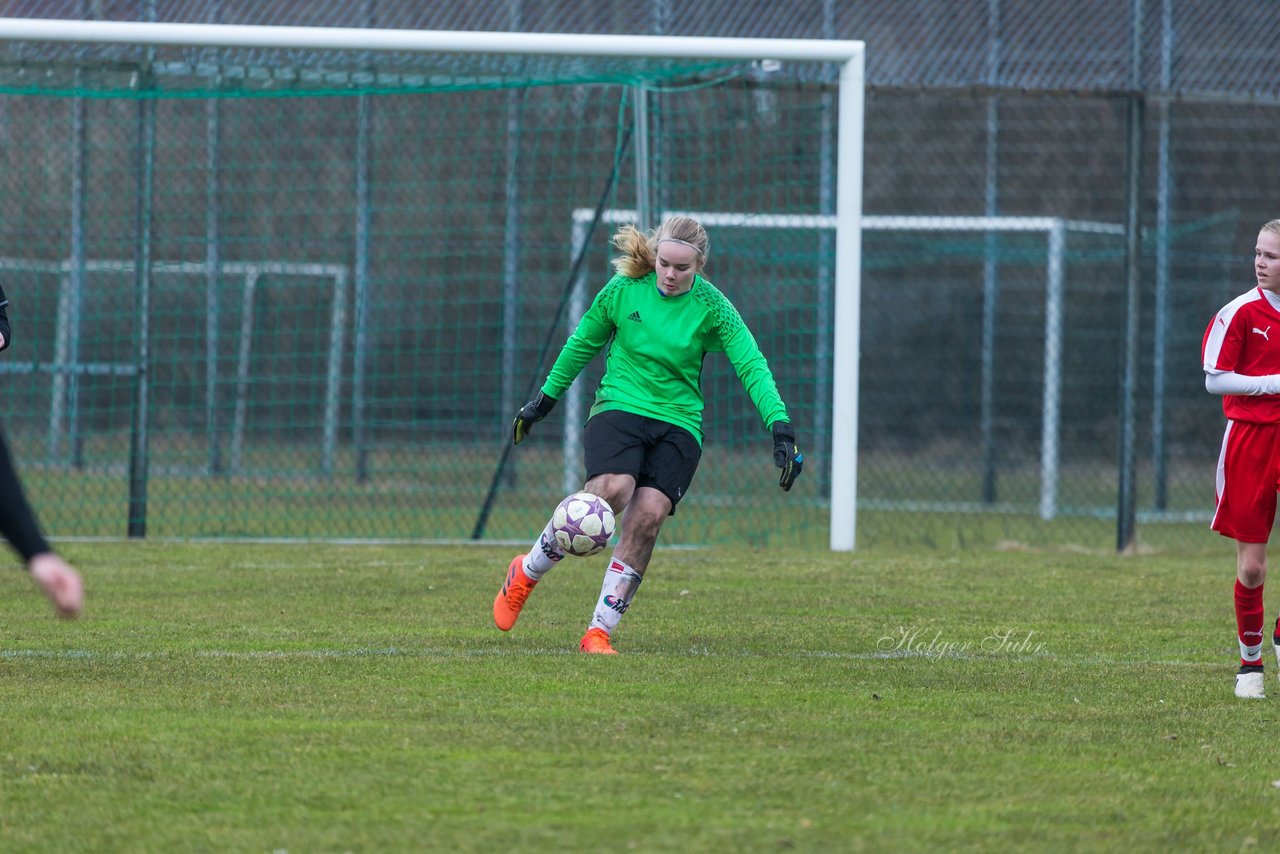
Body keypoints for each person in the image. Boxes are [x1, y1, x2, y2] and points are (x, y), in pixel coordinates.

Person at [493, 215, 802, 654]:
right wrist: (544, 400)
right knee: (611, 491)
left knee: (648, 516)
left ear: (700, 266)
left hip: (679, 422)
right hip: (619, 405)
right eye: (664, 264)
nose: (671, 275)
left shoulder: (714, 308)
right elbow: (581, 343)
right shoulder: (623, 291)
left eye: (683, 268)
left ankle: (597, 632)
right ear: (654, 256)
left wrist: (780, 428)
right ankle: (527, 571)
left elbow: (751, 364)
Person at [1203, 218, 1280, 698]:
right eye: (1258, 253)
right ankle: (1250, 664)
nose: (1260, 262)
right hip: (1251, 439)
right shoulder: (1240, 313)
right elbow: (1215, 377)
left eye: (1271, 256)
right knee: (1251, 567)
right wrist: (1271, 385)